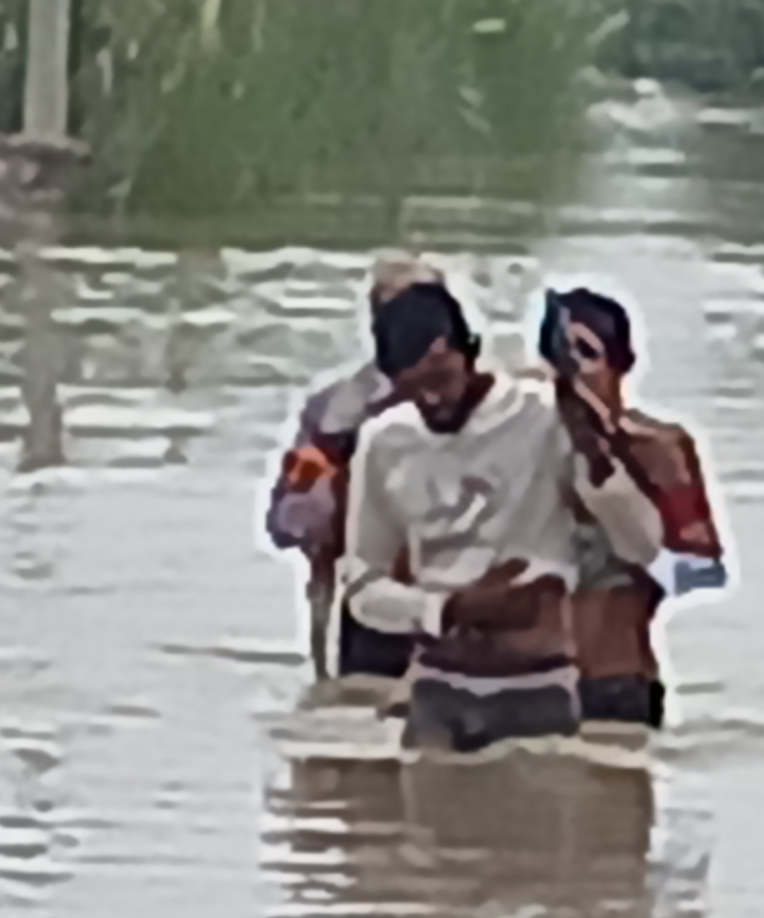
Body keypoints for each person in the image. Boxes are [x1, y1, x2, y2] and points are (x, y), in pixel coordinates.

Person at [342, 280, 667, 755]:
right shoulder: (383, 442)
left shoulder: (543, 414)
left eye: (441, 378)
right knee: (423, 829)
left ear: (469, 351)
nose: (433, 402)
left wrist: (594, 450)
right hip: (437, 688)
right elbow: (362, 588)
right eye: (413, 389)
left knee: (541, 823)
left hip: (537, 688)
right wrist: (450, 609)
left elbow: (643, 546)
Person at [538, 289, 726, 732]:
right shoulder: (522, 445)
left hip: (617, 681)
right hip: (531, 685)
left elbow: (704, 571)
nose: (571, 374)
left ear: (623, 362)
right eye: (560, 356)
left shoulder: (657, 447)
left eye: (586, 354)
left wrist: (628, 512)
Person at [266, 257, 437, 685]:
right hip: (362, 604)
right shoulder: (336, 411)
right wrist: (335, 485)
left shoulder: (486, 403)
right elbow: (288, 524)